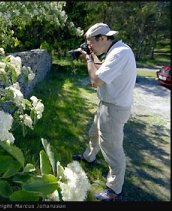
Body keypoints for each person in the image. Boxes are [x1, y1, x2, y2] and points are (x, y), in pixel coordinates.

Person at [73, 23, 137, 201]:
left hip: (114, 109)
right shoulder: (116, 51)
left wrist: (87, 59)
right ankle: (89, 157)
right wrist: (91, 55)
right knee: (93, 133)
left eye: (90, 42)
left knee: (112, 148)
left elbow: (96, 80)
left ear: (103, 38)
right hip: (107, 105)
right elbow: (101, 69)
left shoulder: (120, 53)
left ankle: (115, 190)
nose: (89, 46)